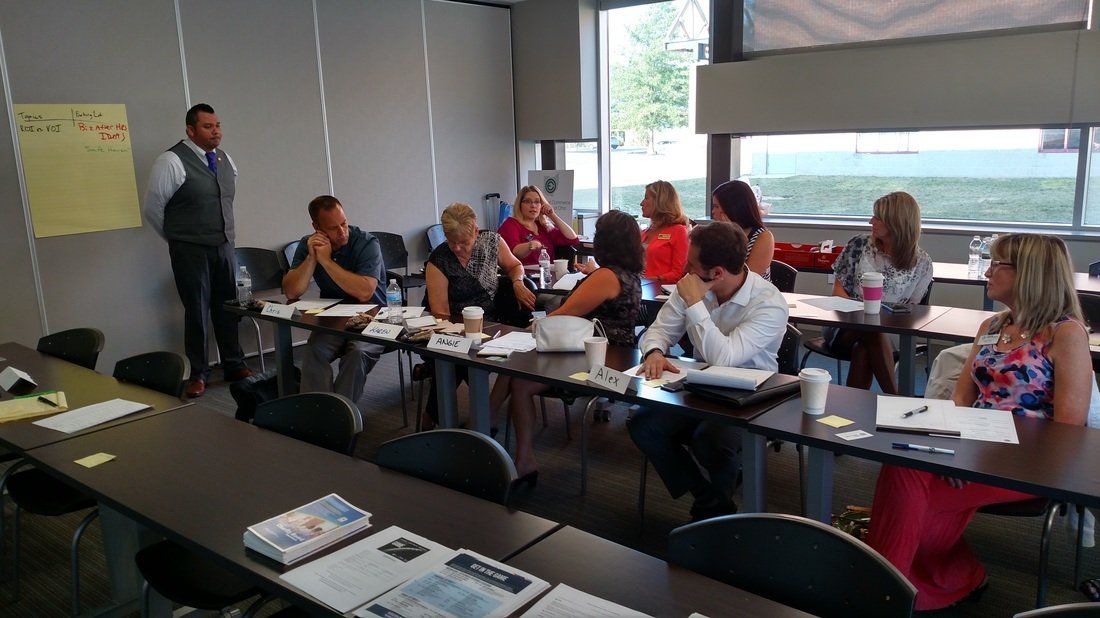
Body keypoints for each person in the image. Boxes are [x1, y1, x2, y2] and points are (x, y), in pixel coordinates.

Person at [867, 233, 1092, 611]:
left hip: (1027, 463)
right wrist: (955, 451)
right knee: (903, 458)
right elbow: (962, 399)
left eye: (997, 263)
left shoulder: (1065, 335)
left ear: (1029, 274)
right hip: (974, 448)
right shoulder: (993, 326)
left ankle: (883, 595)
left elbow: (1068, 431)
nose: (987, 270)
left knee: (910, 490)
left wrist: (975, 455)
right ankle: (930, 582)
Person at [628, 221, 788, 521]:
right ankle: (710, 500)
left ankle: (716, 511)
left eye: (692, 264)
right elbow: (658, 331)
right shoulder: (694, 283)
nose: (686, 269)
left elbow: (724, 359)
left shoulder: (768, 303)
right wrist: (654, 351)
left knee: (710, 440)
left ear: (717, 273)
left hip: (752, 394)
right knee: (643, 424)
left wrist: (694, 303)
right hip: (700, 385)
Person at [508, 210, 644, 482]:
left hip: (595, 359)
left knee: (518, 377)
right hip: (617, 355)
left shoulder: (606, 276)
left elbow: (566, 313)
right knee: (512, 365)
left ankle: (516, 454)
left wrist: (531, 328)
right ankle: (488, 431)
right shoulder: (629, 274)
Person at [144, 103, 251, 398]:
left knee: (228, 307)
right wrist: (177, 238)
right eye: (207, 126)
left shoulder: (225, 159)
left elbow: (224, 198)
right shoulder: (171, 161)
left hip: (224, 245)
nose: (215, 131)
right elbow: (153, 208)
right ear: (190, 130)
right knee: (197, 311)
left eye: (217, 125)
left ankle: (234, 363)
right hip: (190, 248)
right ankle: (199, 373)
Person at [422, 202, 536, 427]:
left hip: (492, 323)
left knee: (507, 355)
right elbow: (441, 313)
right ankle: (478, 418)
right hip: (456, 325)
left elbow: (515, 266)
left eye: (463, 242)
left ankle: (475, 417)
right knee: (457, 360)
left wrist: (517, 282)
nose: (456, 248)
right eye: (451, 241)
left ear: (476, 231)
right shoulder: (439, 260)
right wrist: (465, 335)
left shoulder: (492, 241)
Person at [825, 191, 933, 394]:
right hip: (846, 325)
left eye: (877, 217)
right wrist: (860, 315)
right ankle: (897, 400)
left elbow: (912, 310)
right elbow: (838, 292)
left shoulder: (923, 263)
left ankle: (851, 410)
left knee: (864, 348)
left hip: (889, 333)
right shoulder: (859, 245)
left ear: (896, 223)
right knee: (871, 329)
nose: (870, 221)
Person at [283, 196, 387, 403]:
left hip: (373, 319)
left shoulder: (366, 242)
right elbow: (292, 292)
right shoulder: (309, 244)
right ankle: (318, 416)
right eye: (333, 228)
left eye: (344, 223)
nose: (342, 232)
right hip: (334, 320)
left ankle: (339, 420)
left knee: (356, 354)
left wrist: (326, 261)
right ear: (317, 227)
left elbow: (364, 292)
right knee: (314, 352)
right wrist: (312, 258)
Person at [498, 185, 579, 266]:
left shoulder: (543, 226)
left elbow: (573, 239)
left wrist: (552, 215)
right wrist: (529, 246)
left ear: (542, 205)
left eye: (537, 202)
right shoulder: (510, 224)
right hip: (525, 276)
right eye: (527, 201)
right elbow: (514, 252)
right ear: (519, 205)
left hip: (547, 274)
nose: (533, 205)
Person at [710, 180, 774, 281]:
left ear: (732, 208)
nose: (713, 211)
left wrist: (731, 237)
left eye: (716, 206)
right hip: (722, 293)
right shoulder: (716, 233)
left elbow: (747, 279)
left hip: (754, 294)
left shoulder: (763, 237)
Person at [639, 180, 690, 284]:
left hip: (661, 292)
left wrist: (651, 280)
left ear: (659, 201)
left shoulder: (678, 231)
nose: (641, 203)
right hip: (639, 289)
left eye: (646, 198)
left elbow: (679, 272)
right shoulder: (643, 233)